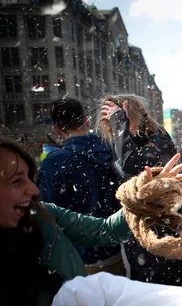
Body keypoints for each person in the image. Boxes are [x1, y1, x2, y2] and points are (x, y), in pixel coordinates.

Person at [0, 137, 182, 306]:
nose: (33, 190)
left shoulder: (43, 215)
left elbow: (104, 232)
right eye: (16, 181)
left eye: (28, 177)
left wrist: (146, 196)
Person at [99, 94, 182, 285]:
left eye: (114, 126)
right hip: (144, 242)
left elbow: (131, 164)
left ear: (130, 118)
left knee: (163, 300)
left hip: (164, 241)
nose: (113, 133)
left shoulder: (159, 142)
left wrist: (120, 122)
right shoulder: (134, 143)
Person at [37, 98, 122, 272]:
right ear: (86, 120)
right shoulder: (114, 150)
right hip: (120, 251)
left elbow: (45, 216)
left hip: (78, 260)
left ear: (56, 129)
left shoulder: (54, 164)